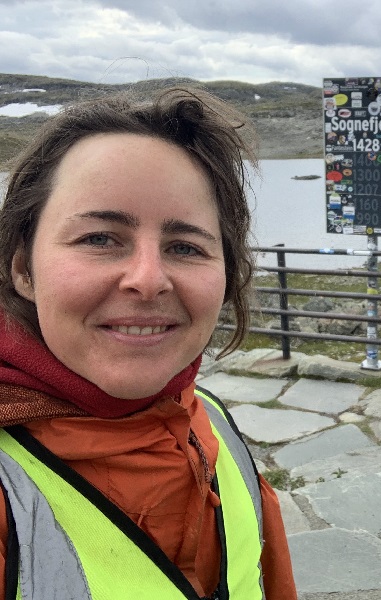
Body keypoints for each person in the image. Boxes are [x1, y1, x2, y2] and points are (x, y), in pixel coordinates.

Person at [0, 87, 297, 599]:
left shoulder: (212, 425)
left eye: (185, 246)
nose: (148, 279)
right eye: (99, 238)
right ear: (24, 268)